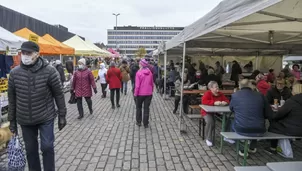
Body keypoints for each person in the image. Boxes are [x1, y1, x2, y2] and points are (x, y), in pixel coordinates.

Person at [8, 41, 66, 171]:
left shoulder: (49, 71)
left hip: (45, 116)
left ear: (37, 54)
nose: (25, 55)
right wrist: (12, 121)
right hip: (25, 119)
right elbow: (12, 100)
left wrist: (62, 115)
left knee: (47, 146)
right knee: (31, 151)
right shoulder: (14, 73)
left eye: (28, 53)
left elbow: (59, 94)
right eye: (23, 52)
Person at [229, 79, 272, 156]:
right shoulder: (260, 95)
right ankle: (252, 147)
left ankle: (241, 149)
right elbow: (268, 113)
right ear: (250, 86)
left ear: (239, 86)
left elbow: (231, 109)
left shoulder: (235, 95)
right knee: (256, 122)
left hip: (241, 128)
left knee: (232, 123)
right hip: (260, 129)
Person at [267, 84, 302, 154]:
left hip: (293, 130)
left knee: (273, 124)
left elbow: (279, 114)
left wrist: (272, 115)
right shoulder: (293, 101)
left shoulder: (292, 101)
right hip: (298, 127)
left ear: (294, 91)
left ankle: (273, 148)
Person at [201, 81, 230, 147]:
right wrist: (214, 103)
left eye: (218, 86)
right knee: (210, 122)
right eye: (216, 87)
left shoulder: (220, 94)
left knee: (228, 119)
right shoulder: (207, 93)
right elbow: (204, 101)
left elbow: (227, 100)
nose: (218, 88)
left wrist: (225, 102)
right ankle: (208, 138)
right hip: (207, 112)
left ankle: (226, 136)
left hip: (218, 112)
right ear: (211, 88)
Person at [134, 59, 154, 128]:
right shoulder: (150, 73)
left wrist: (135, 94)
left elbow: (137, 85)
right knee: (146, 108)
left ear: (142, 65)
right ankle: (146, 123)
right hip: (148, 93)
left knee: (138, 107)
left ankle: (139, 122)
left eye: (139, 64)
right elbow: (152, 83)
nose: (139, 65)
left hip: (140, 94)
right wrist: (151, 91)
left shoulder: (138, 73)